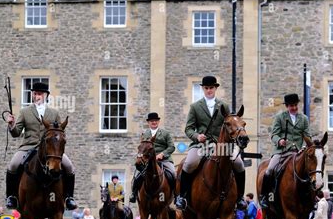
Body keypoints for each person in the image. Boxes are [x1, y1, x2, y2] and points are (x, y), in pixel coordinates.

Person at [175, 75, 247, 211]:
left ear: (215, 89)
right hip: (201, 145)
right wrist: (197, 136)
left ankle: (240, 198)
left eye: (211, 88)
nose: (209, 90)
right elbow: (188, 128)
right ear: (203, 89)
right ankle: (182, 197)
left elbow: (230, 125)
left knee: (239, 164)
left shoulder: (223, 106)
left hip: (221, 146)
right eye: (207, 88)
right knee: (189, 163)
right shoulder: (195, 107)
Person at [5, 82, 77, 210]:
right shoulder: (25, 111)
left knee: (69, 166)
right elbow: (16, 133)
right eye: (35, 94)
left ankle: (68, 197)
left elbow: (58, 131)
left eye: (39, 94)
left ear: (45, 95)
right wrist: (11, 125)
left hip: (49, 149)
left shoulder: (53, 113)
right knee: (13, 165)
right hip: (28, 146)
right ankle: (12, 197)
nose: (36, 96)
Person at [259, 93, 310, 209]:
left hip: (298, 151)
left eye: (296, 105)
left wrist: (303, 146)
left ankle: (311, 198)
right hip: (282, 151)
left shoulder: (304, 119)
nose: (294, 108)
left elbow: (307, 136)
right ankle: (264, 196)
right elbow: (274, 135)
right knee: (270, 169)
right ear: (287, 106)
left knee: (310, 171)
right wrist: (280, 141)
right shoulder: (280, 117)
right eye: (292, 106)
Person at [130, 112, 176, 203]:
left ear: (158, 122)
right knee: (137, 176)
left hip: (164, 160)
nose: (154, 122)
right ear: (148, 122)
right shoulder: (145, 134)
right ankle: (134, 194)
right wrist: (141, 157)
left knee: (173, 174)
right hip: (148, 161)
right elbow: (142, 148)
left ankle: (177, 196)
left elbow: (172, 147)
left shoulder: (165, 133)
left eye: (155, 121)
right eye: (151, 121)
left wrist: (162, 154)